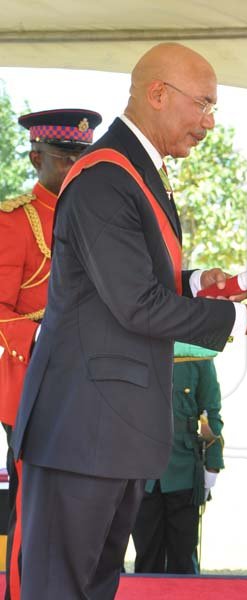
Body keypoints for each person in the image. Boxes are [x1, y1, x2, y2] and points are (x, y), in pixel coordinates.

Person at [11, 43, 247, 600]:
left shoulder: (135, 171)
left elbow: (121, 285)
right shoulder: (105, 175)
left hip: (110, 434)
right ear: (158, 94)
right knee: (60, 588)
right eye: (204, 105)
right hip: (81, 434)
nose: (209, 123)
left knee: (91, 588)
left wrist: (191, 283)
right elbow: (134, 303)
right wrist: (243, 318)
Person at [0, 108, 102, 600]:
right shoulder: (15, 223)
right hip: (34, 385)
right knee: (36, 507)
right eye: (65, 159)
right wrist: (43, 342)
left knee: (83, 507)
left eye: (83, 159)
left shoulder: (103, 217)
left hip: (95, 385)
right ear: (36, 157)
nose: (75, 169)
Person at [132, 341, 224, 574]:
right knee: (146, 555)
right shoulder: (135, 346)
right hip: (141, 467)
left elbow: (210, 412)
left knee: (183, 557)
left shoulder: (197, 355)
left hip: (183, 467)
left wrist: (212, 465)